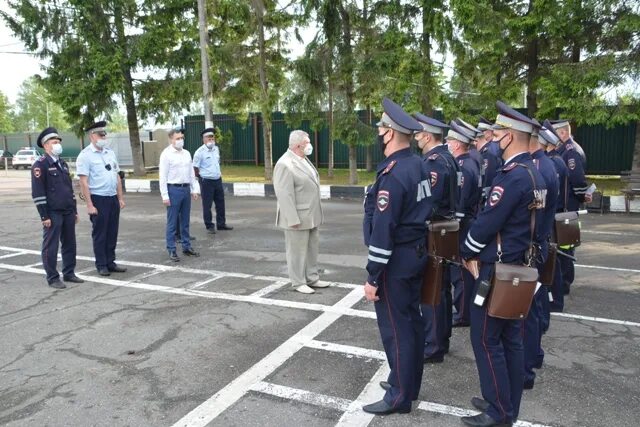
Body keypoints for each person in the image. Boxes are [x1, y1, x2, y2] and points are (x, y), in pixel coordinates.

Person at [460, 101, 546, 427]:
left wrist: (467, 253)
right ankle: (507, 404)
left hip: (498, 269)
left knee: (485, 338)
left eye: (497, 133)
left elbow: (486, 223)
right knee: (510, 338)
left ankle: (498, 411)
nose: (494, 138)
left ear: (509, 136)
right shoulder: (535, 173)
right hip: (520, 267)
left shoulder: (511, 178)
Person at [362, 98, 431, 415]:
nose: (378, 134)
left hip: (397, 262)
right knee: (412, 325)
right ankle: (407, 383)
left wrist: (373, 275)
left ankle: (400, 396)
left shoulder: (394, 173)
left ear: (389, 134)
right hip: (415, 254)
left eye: (380, 128)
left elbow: (384, 229)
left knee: (397, 330)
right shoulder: (417, 164)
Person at [413, 113, 460, 364]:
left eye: (419, 134)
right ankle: (441, 338)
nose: (417, 138)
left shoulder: (433, 162)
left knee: (432, 289)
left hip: (434, 229)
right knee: (442, 288)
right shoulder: (449, 158)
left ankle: (433, 345)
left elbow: (428, 202)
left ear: (428, 135)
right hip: (448, 228)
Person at [522, 122, 559, 390]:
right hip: (540, 243)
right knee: (533, 309)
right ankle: (533, 357)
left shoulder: (537, 168)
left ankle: (527, 367)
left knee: (526, 313)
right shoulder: (545, 165)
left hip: (532, 247)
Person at [272, 130, 326, 294]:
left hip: (311, 216)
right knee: (296, 252)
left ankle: (312, 278)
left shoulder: (303, 159)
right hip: (297, 217)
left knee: (311, 249)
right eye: (307, 143)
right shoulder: (285, 164)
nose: (309, 146)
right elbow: (284, 194)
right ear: (297, 145)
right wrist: (292, 219)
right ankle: (298, 282)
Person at [31, 127, 83, 289]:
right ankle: (52, 277)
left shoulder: (62, 164)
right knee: (51, 246)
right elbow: (38, 193)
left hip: (67, 211)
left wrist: (74, 211)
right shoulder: (40, 165)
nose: (58, 145)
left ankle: (69, 273)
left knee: (70, 244)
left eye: (59, 142)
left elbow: (69, 190)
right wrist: (44, 216)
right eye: (54, 142)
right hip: (52, 213)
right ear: (46, 146)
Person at [76, 121, 127, 276]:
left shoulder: (109, 152)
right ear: (92, 136)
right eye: (100, 134)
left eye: (104, 134)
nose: (104, 137)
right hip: (98, 199)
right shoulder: (85, 155)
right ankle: (101, 264)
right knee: (100, 233)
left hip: (112, 198)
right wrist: (89, 204)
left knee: (112, 232)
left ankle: (110, 262)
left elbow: (117, 176)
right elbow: (83, 182)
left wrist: (120, 197)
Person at [446, 122, 482, 329]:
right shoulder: (471, 162)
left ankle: (463, 313)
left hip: (462, 224)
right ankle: (463, 310)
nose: (448, 144)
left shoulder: (464, 166)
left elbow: (461, 201)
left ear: (458, 144)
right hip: (469, 221)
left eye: (450, 141)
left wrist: (453, 225)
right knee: (463, 271)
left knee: (460, 272)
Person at [551, 120, 591, 296]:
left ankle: (565, 283)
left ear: (563, 133)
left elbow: (577, 180)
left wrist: (583, 196)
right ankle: (563, 281)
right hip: (567, 208)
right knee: (563, 247)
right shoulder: (567, 150)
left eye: (554, 133)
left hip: (568, 208)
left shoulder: (570, 152)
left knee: (565, 248)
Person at [159, 128, 201, 262]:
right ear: (171, 139)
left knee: (185, 221)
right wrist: (165, 195)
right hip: (173, 190)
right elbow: (162, 177)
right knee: (172, 223)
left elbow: (191, 173)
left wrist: (195, 189)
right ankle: (171, 249)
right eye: (177, 138)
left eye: (182, 138)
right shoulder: (166, 154)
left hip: (185, 189)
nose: (180, 140)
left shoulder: (187, 153)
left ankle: (186, 247)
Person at [544, 121, 570, 312]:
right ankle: (555, 299)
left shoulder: (553, 162)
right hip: (557, 214)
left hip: (553, 216)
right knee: (555, 260)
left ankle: (555, 301)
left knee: (553, 261)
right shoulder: (557, 160)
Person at [193, 127, 233, 234]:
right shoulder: (199, 152)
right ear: (203, 139)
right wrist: (197, 181)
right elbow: (195, 168)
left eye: (212, 137)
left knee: (220, 203)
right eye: (208, 137)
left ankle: (221, 224)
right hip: (206, 182)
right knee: (207, 205)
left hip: (217, 180)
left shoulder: (216, 149)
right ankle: (209, 225)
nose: (211, 139)